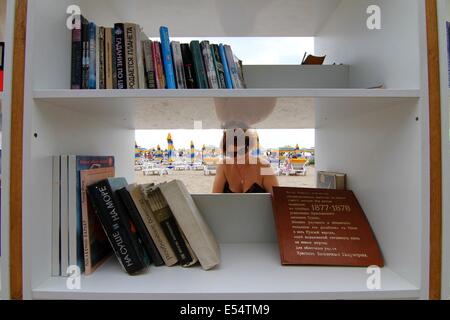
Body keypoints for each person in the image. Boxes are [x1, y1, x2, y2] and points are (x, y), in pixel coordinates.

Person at [212, 129, 279, 194]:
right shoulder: (223, 166)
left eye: (242, 151)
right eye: (233, 153)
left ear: (250, 146)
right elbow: (214, 199)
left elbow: (278, 199)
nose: (239, 156)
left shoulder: (265, 167)